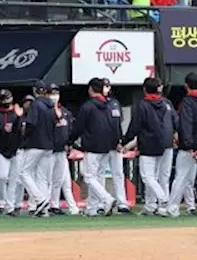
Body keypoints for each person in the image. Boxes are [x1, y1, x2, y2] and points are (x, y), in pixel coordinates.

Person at [122, 77, 175, 217]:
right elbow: (176, 121)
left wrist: (124, 141)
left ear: (144, 89)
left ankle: (163, 200)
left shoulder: (143, 105)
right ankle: (152, 206)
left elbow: (135, 126)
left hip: (149, 144)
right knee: (161, 177)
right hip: (166, 143)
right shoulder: (166, 103)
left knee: (147, 176)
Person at [164, 72, 197, 217]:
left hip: (190, 148)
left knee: (181, 178)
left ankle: (172, 208)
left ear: (186, 85)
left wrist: (188, 145)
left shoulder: (187, 101)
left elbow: (186, 125)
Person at [73, 77, 124, 216]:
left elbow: (78, 127)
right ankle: (93, 208)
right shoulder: (110, 105)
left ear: (91, 89)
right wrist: (116, 142)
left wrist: (70, 140)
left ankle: (106, 199)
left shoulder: (88, 106)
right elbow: (115, 125)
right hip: (107, 146)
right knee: (98, 176)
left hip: (92, 145)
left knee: (89, 177)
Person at [18, 81, 57, 217]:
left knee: (24, 173)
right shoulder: (51, 106)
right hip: (48, 144)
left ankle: (41, 200)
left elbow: (31, 124)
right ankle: (44, 209)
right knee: (42, 178)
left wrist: (25, 135)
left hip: (35, 144)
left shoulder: (36, 104)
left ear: (35, 91)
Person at [0, 90, 24, 216]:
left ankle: (13, 206)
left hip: (16, 150)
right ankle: (1, 203)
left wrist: (20, 117)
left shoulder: (17, 113)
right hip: (1, 150)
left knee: (15, 180)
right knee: (2, 176)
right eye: (2, 99)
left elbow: (23, 130)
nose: (5, 101)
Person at [49, 85, 79, 215]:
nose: (54, 96)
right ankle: (50, 204)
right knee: (50, 180)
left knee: (63, 180)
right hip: (49, 150)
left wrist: (69, 144)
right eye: (52, 93)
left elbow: (70, 130)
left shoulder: (66, 112)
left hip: (62, 150)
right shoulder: (46, 111)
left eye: (56, 93)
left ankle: (68, 206)